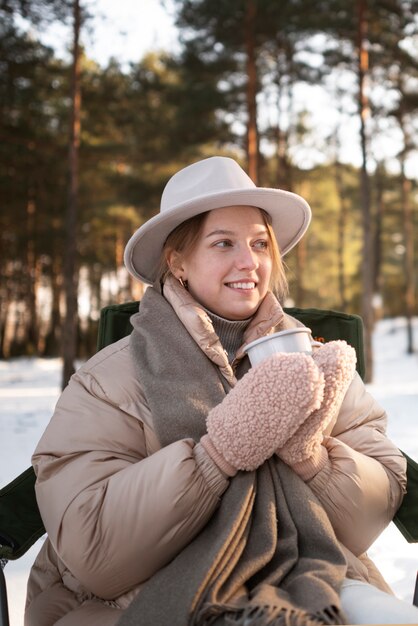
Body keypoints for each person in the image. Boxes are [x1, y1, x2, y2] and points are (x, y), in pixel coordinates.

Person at [24, 156, 418, 626]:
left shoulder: (313, 359)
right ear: (178, 261)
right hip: (144, 597)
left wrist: (311, 456)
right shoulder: (107, 380)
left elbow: (368, 517)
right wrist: (216, 456)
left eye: (259, 243)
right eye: (223, 243)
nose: (248, 262)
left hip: (310, 576)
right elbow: (95, 554)